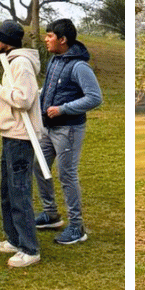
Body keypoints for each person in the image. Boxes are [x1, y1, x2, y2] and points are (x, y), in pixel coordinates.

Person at [0, 18, 42, 268]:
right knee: (7, 190)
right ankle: (13, 239)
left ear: (9, 42)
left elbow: (24, 100)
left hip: (21, 137)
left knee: (19, 191)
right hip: (10, 133)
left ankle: (29, 248)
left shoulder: (22, 64)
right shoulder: (10, 62)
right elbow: (12, 101)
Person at [35, 18, 102, 245]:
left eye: (50, 35)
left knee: (67, 175)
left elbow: (94, 98)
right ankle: (51, 214)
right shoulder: (54, 61)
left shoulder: (79, 66)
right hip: (47, 127)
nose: (46, 39)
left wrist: (63, 109)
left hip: (69, 129)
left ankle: (76, 227)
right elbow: (52, 88)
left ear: (62, 40)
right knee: (40, 165)